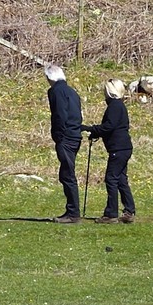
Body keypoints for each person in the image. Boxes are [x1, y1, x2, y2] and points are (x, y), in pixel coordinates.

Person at [87, 78, 136, 223]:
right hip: (124, 147)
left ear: (109, 91)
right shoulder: (119, 106)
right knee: (120, 179)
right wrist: (96, 132)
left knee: (111, 179)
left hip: (118, 148)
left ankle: (111, 214)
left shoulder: (114, 106)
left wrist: (91, 129)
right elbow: (111, 127)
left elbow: (109, 126)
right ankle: (129, 210)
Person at [46, 64, 84, 221]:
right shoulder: (72, 92)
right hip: (75, 135)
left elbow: (59, 115)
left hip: (66, 136)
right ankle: (72, 210)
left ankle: (73, 212)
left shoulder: (55, 91)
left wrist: (58, 135)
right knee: (67, 173)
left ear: (49, 78)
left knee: (67, 174)